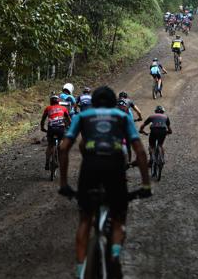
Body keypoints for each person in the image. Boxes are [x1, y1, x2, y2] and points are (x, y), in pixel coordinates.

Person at [58, 86, 151, 279]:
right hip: (115, 167)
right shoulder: (122, 116)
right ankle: (115, 254)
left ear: (92, 101)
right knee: (119, 216)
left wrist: (64, 183)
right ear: (112, 101)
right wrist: (145, 185)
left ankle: (81, 270)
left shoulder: (83, 116)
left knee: (85, 219)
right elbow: (140, 151)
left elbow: (64, 147)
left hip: (90, 167)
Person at [40, 94, 71, 170]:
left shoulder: (48, 108)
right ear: (58, 102)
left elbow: (43, 119)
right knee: (61, 142)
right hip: (60, 128)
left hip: (51, 129)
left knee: (50, 145)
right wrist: (70, 127)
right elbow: (68, 119)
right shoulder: (63, 108)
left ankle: (47, 162)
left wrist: (42, 128)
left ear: (50, 102)